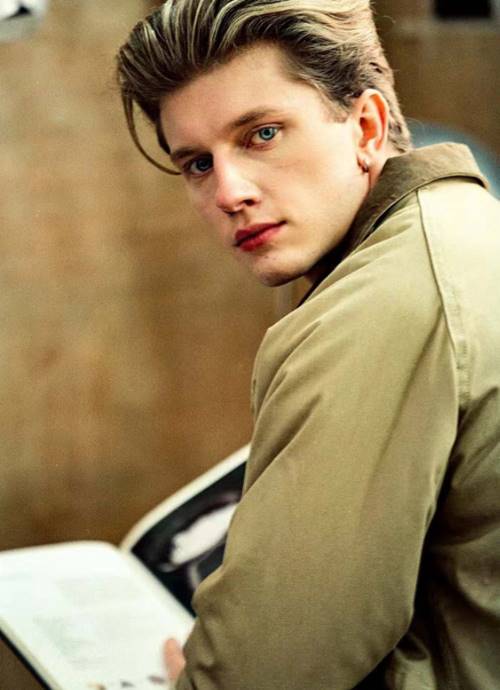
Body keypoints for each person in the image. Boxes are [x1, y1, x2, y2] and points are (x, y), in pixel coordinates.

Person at [116, 1, 500, 688]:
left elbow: (269, 670)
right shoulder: (468, 226)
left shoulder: (380, 303)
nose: (229, 192)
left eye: (262, 134)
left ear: (366, 127)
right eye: (198, 163)